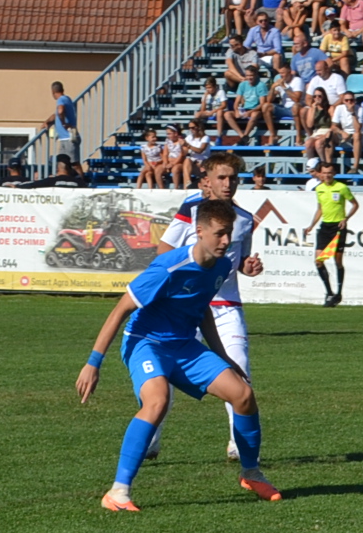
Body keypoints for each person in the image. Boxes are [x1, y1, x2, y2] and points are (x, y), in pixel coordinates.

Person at [74, 197, 280, 511]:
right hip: (146, 342)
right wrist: (93, 363)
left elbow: (202, 308)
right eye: (219, 234)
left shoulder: (222, 266)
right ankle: (118, 492)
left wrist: (224, 357)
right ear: (199, 231)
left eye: (229, 233)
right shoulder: (169, 267)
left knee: (243, 395)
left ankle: (251, 473)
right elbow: (120, 309)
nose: (226, 241)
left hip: (184, 345)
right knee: (157, 401)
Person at [147, 151, 264, 462]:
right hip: (186, 307)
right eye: (221, 177)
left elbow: (239, 262)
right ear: (208, 180)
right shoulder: (191, 210)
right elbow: (164, 250)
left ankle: (238, 444)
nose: (228, 183)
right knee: (165, 373)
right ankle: (150, 440)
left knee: (238, 369)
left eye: (233, 178)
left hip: (226, 307)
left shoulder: (245, 219)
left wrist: (248, 267)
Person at [303, 161, 359, 306]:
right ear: (320, 174)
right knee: (318, 261)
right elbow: (320, 209)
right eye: (324, 173)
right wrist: (311, 225)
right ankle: (329, 292)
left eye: (329, 173)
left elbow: (355, 204)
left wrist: (346, 218)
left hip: (338, 227)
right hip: (325, 227)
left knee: (337, 261)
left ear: (334, 173)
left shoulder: (341, 187)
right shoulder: (319, 189)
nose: (327, 175)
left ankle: (339, 293)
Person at [46, 82, 79, 165]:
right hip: (64, 138)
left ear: (53, 92)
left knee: (74, 164)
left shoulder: (61, 99)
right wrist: (47, 122)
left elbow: (60, 111)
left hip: (68, 138)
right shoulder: (66, 99)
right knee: (63, 164)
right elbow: (56, 114)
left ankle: (79, 175)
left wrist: (63, 123)